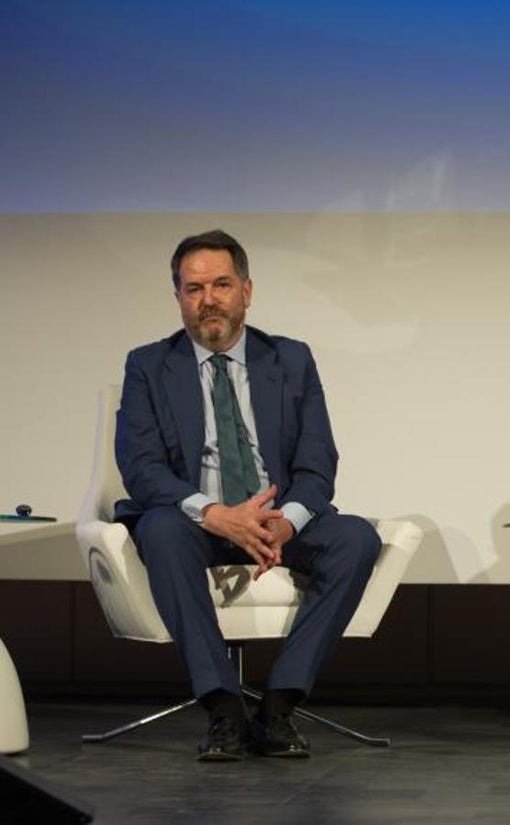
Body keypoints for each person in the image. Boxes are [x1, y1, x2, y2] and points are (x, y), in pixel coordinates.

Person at [114, 229, 382, 761]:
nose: (208, 299)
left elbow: (318, 462)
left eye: (221, 284)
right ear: (178, 298)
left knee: (356, 538)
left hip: (274, 519)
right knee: (159, 528)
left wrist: (286, 522)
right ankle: (224, 710)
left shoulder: (291, 359)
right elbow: (141, 469)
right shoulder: (147, 365)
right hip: (196, 523)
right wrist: (214, 514)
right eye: (193, 289)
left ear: (247, 291)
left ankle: (279, 706)